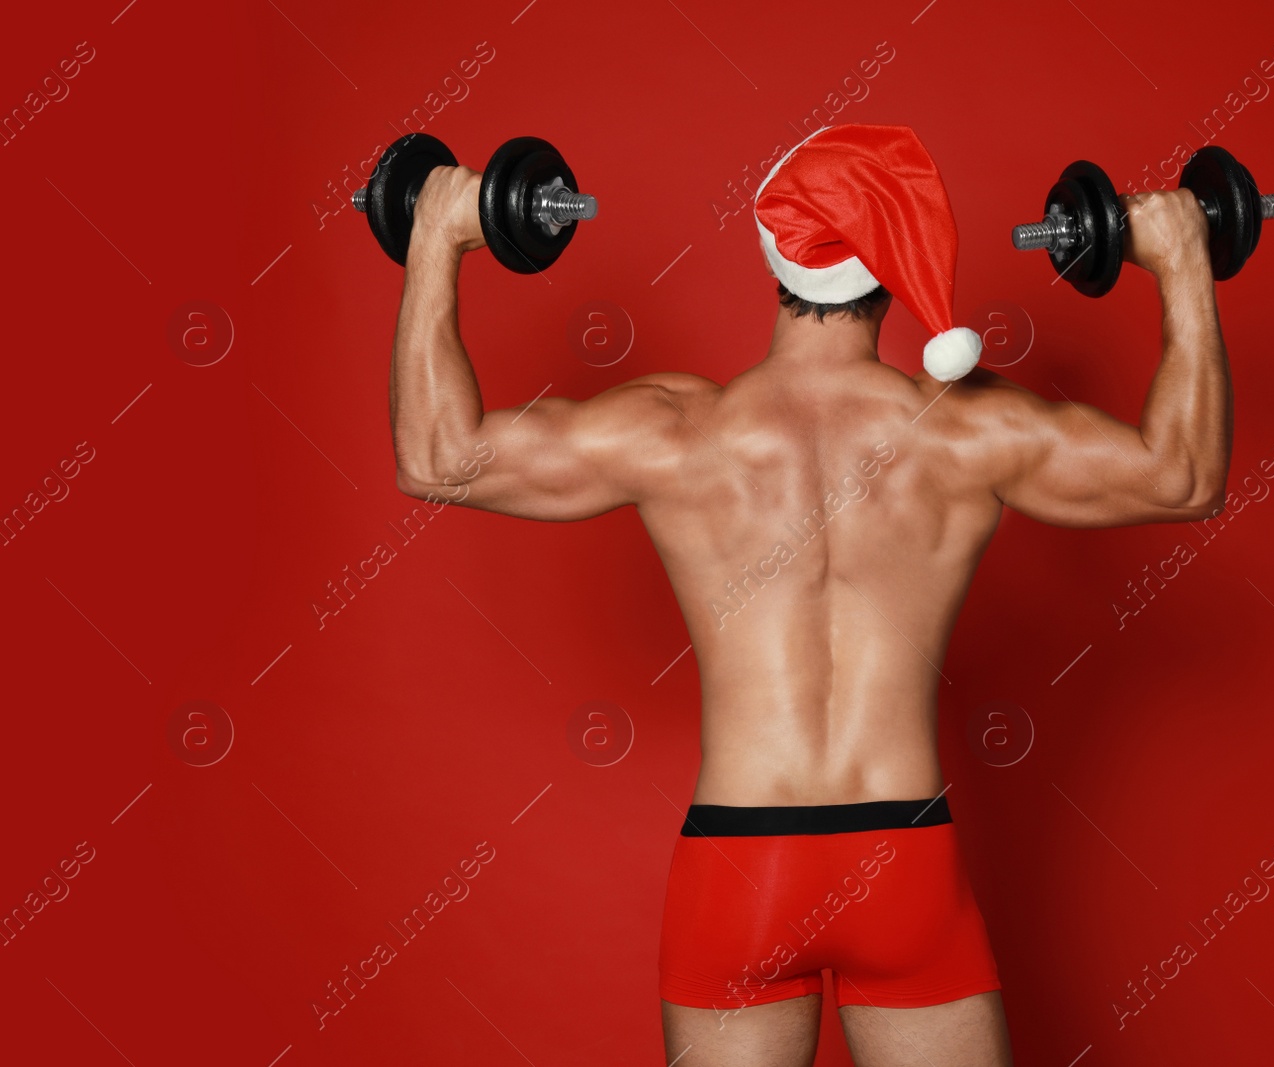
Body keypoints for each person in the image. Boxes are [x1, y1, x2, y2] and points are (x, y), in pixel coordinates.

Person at [389, 123, 1229, 1067]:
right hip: (905, 866)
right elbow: (1182, 476)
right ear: (901, 259)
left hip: (740, 867)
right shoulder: (965, 433)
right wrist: (1185, 259)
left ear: (777, 255)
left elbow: (437, 458)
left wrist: (435, 234)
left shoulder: (680, 431)